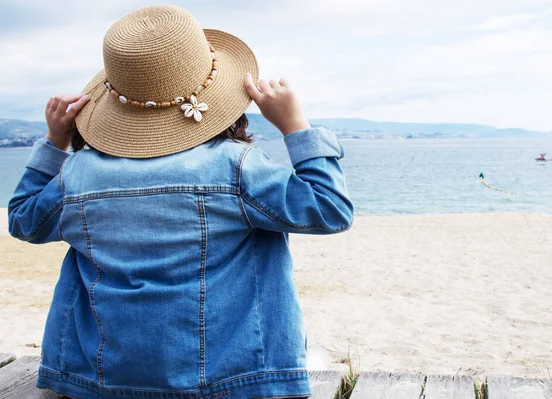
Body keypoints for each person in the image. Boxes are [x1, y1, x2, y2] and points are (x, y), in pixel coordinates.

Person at [8, 5, 353, 399]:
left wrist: (55, 143)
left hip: (98, 378)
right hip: (228, 380)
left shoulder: (78, 174)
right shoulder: (235, 168)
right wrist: (296, 127)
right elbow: (330, 210)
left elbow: (22, 219)